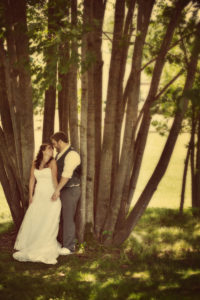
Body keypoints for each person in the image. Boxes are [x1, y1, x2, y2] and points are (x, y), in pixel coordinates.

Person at [13, 144, 61, 265]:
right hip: (39, 194)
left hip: (50, 193)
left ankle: (46, 243)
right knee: (37, 218)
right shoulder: (35, 163)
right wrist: (30, 196)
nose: (51, 150)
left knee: (49, 219)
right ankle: (33, 242)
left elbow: (54, 179)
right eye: (49, 148)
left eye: (52, 149)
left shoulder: (52, 162)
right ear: (43, 150)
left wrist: (57, 192)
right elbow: (31, 180)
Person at [51, 131, 81, 255]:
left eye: (54, 143)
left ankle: (69, 247)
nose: (54, 146)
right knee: (60, 217)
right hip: (61, 189)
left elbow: (66, 175)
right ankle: (61, 243)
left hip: (70, 189)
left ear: (60, 142)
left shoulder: (72, 154)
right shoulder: (59, 155)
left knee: (68, 217)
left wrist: (57, 190)